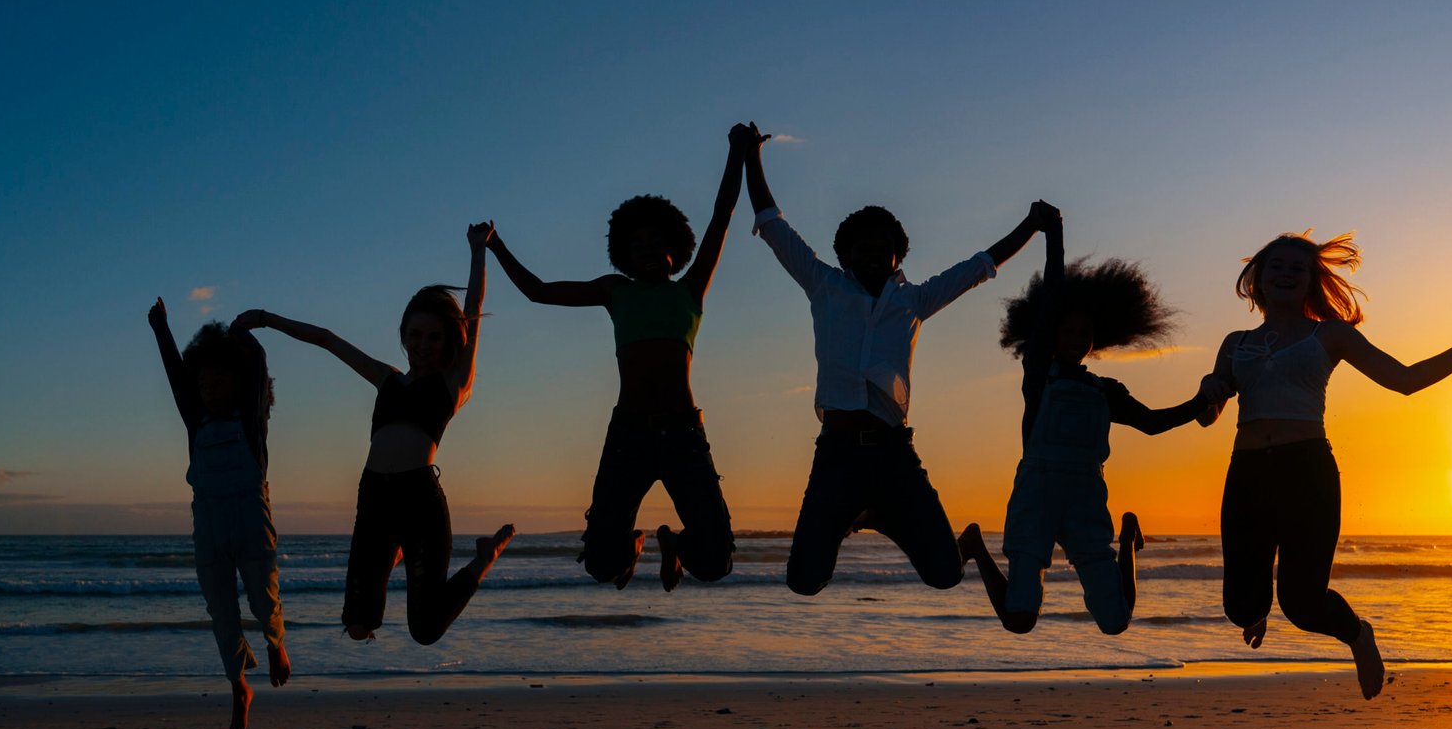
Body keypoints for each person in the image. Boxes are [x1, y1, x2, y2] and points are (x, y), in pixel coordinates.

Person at [1200, 229, 1452, 699]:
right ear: (1258, 280)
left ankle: (1358, 635)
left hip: (1305, 471)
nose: (1286, 274)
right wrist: (1211, 388)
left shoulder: (1329, 335)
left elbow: (1406, 380)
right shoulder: (1235, 343)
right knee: (1240, 608)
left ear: (1311, 281)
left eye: (1297, 268)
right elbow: (1210, 415)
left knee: (1304, 605)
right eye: (1276, 267)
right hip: (1247, 473)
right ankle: (1256, 608)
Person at [741, 129, 1043, 594]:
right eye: (865, 249)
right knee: (803, 581)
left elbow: (980, 266)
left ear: (899, 255)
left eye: (885, 250)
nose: (875, 258)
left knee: (945, 575)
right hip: (837, 453)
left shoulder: (914, 302)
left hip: (892, 453)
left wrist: (1031, 225)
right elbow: (772, 223)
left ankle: (881, 513)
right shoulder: (825, 285)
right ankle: (858, 511)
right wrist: (751, 155)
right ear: (845, 253)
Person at [483, 124, 756, 590]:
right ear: (622, 257)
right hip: (627, 435)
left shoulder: (691, 290)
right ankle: (631, 546)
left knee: (715, 562)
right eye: (637, 246)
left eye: (657, 244)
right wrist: (495, 245)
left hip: (683, 435)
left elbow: (722, 215)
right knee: (599, 565)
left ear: (676, 251)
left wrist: (739, 154)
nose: (648, 251)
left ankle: (674, 545)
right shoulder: (616, 292)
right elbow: (538, 292)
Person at [233, 223, 513, 644]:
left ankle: (484, 558)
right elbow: (327, 340)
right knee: (358, 625)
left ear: (448, 340)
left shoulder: (453, 383)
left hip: (419, 501)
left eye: (433, 337)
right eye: (415, 335)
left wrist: (478, 251)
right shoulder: (387, 379)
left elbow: (473, 310)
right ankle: (394, 550)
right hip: (375, 498)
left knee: (426, 630)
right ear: (403, 335)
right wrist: (264, 319)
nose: (423, 345)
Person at [959, 204, 1219, 635]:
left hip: (1085, 497)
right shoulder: (1039, 372)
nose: (1076, 339)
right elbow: (1054, 294)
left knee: (1115, 621)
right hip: (1036, 494)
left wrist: (1198, 402)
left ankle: (1128, 533)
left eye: (1084, 334)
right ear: (1054, 334)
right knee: (1019, 618)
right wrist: (1053, 235)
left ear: (1094, 342)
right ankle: (972, 543)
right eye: (1068, 331)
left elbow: (1152, 423)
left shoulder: (1106, 391)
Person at [149, 299, 289, 729]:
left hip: (250, 521)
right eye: (203, 380)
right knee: (221, 611)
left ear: (239, 381)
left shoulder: (251, 422)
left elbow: (258, 362)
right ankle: (238, 686)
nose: (207, 386)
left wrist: (245, 334)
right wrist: (161, 329)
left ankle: (276, 644)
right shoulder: (196, 423)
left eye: (218, 379)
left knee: (264, 599)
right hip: (208, 527)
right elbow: (176, 376)